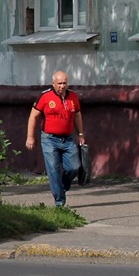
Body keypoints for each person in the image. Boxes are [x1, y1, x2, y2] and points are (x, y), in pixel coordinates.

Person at [25, 70, 87, 207]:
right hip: (49, 139)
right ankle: (59, 202)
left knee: (74, 167)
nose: (62, 86)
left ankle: (62, 188)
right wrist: (30, 137)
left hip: (68, 139)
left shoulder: (73, 97)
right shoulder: (45, 97)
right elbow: (33, 117)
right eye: (59, 83)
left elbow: (77, 116)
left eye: (65, 83)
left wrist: (81, 134)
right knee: (53, 169)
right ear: (53, 83)